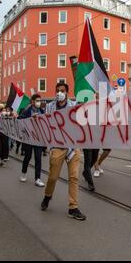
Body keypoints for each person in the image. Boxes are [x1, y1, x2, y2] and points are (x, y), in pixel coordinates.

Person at [40, 82, 86, 220]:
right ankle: (47, 196)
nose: (59, 93)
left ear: (67, 92)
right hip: (57, 146)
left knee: (74, 177)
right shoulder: (50, 107)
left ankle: (73, 207)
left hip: (73, 147)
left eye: (62, 91)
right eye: (57, 90)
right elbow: (46, 124)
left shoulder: (74, 106)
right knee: (53, 177)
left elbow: (81, 123)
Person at [19, 94, 45, 187]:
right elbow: (20, 121)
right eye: (37, 100)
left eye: (40, 101)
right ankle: (23, 173)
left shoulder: (42, 111)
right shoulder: (26, 110)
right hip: (28, 138)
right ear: (32, 101)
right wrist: (30, 118)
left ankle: (37, 179)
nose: (39, 102)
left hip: (38, 138)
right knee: (28, 156)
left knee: (38, 158)